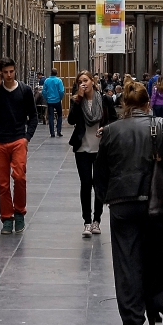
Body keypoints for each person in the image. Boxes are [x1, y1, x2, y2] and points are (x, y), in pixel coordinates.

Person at [94, 81, 163, 325]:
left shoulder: (111, 131)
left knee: (126, 260)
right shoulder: (162, 126)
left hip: (122, 203)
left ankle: (132, 319)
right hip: (155, 201)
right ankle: (155, 306)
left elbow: (100, 171)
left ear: (124, 105)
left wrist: (104, 198)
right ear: (148, 104)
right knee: (155, 254)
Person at [0, 57, 38, 234]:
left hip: (18, 140)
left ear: (15, 71)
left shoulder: (24, 90)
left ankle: (19, 212)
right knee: (3, 184)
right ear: (0, 72)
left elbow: (34, 116)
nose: (8, 75)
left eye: (11, 71)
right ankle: (7, 218)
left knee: (20, 177)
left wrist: (26, 138)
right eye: (5, 72)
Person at [68, 70, 118, 237]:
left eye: (86, 80)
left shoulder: (105, 100)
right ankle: (87, 222)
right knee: (85, 183)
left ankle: (97, 220)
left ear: (92, 81)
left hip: (100, 148)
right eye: (80, 81)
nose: (83, 83)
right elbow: (71, 120)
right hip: (82, 148)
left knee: (98, 184)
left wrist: (106, 128)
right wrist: (79, 98)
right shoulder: (76, 101)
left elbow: (114, 119)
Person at [42, 69, 65, 137]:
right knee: (60, 115)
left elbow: (44, 91)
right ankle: (58, 130)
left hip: (50, 101)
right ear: (56, 73)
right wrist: (60, 98)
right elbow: (61, 91)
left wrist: (47, 98)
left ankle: (52, 132)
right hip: (57, 100)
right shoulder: (59, 81)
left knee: (50, 116)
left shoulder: (47, 81)